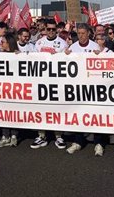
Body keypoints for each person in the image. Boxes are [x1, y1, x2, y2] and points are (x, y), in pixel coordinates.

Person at [65, 24, 105, 155]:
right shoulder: (73, 47)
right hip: (77, 87)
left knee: (95, 115)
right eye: (79, 33)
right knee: (78, 114)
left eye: (83, 33)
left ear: (89, 33)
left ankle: (98, 143)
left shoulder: (95, 46)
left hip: (92, 87)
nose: (81, 36)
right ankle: (78, 141)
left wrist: (101, 55)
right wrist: (64, 55)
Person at [31, 22, 68, 150]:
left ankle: (58, 136)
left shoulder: (62, 43)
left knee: (56, 108)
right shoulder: (39, 43)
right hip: (41, 80)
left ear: (56, 30)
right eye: (49, 29)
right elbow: (32, 59)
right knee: (41, 108)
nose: (51, 31)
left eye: (53, 29)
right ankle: (41, 136)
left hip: (56, 81)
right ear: (45, 29)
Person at [0, 33, 20, 148]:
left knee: (13, 112)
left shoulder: (17, 55)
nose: (0, 44)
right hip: (2, 89)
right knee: (4, 112)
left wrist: (22, 56)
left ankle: (14, 136)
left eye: (3, 42)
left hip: (15, 89)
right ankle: (5, 136)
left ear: (9, 43)